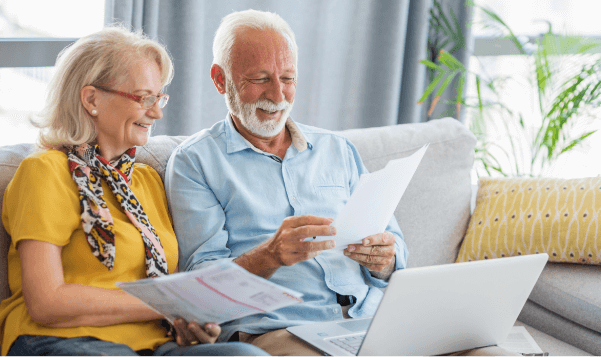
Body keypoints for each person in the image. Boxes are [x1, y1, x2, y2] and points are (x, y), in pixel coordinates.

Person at [0, 26, 267, 357]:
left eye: (159, 98)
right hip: (58, 341)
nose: (156, 112)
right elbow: (46, 302)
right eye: (144, 98)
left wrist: (187, 319)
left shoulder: (146, 181)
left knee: (245, 355)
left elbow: (165, 287)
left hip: (153, 346)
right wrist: (169, 304)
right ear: (92, 98)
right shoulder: (45, 172)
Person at [164, 10, 408, 356]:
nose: (278, 94)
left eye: (288, 77)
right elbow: (203, 286)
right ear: (220, 80)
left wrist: (385, 260)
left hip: (369, 319)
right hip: (281, 330)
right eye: (260, 78)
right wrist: (269, 255)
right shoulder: (196, 162)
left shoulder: (337, 149)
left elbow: (397, 247)